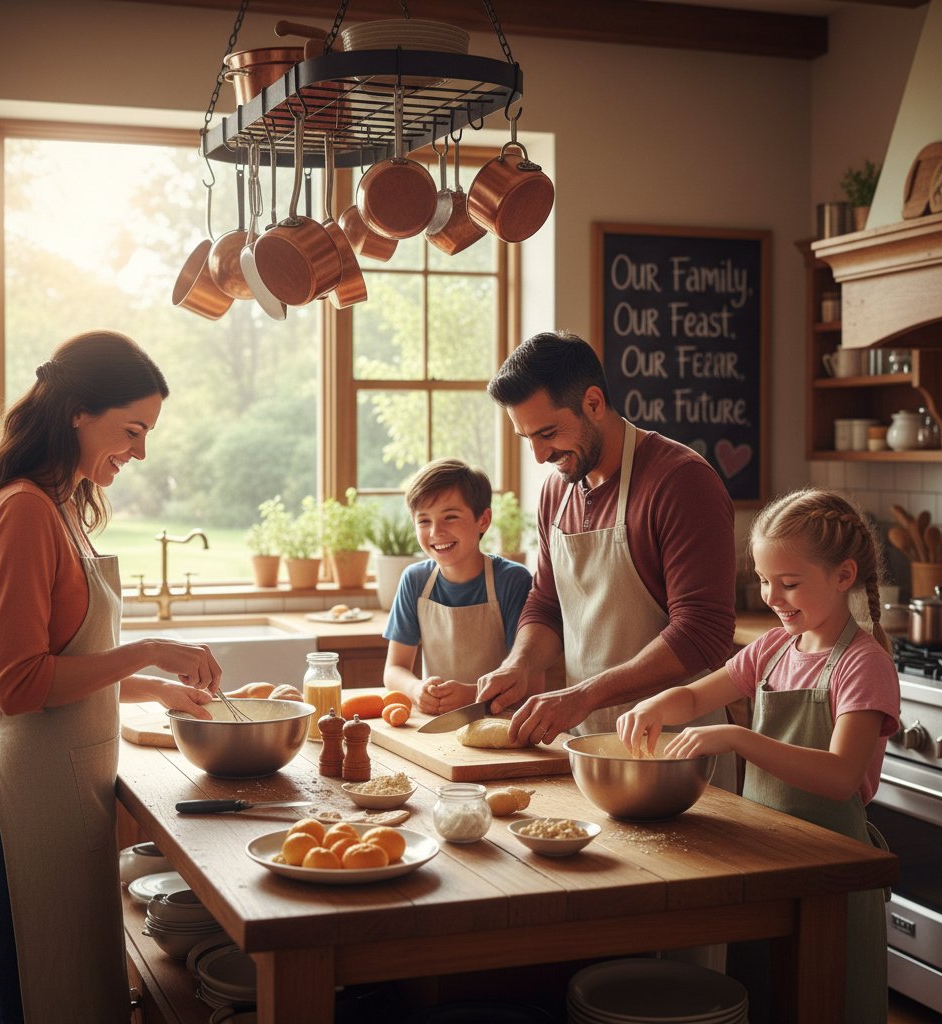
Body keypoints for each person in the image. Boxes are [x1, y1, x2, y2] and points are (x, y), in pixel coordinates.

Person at [0, 331, 223, 1024]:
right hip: (17, 801)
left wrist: (157, 688)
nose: (139, 451)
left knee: (38, 994)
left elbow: (65, 658)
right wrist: (148, 651)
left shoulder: (64, 506)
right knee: (28, 1002)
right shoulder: (22, 512)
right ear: (77, 410)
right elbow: (20, 686)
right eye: (131, 430)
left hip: (56, 790)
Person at [617, 487, 899, 1023]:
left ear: (844, 576)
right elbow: (699, 694)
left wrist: (739, 739)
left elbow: (841, 776)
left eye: (789, 584)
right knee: (767, 1000)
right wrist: (656, 703)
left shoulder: (862, 664)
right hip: (768, 866)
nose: (772, 596)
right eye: (765, 580)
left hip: (832, 875)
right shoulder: (773, 648)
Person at [478, 331, 737, 792]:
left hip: (677, 756)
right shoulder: (557, 491)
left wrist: (582, 696)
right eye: (526, 439)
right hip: (589, 750)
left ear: (594, 403)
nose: (539, 456)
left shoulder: (680, 482)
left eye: (548, 433)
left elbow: (704, 634)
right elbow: (547, 604)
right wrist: (520, 665)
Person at [382, 458, 536, 716]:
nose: (435, 532)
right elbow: (394, 669)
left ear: (483, 520)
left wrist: (471, 694)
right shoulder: (415, 580)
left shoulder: (512, 581)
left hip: (500, 722)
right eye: (423, 521)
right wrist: (416, 689)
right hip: (435, 723)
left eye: (450, 517)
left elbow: (530, 684)